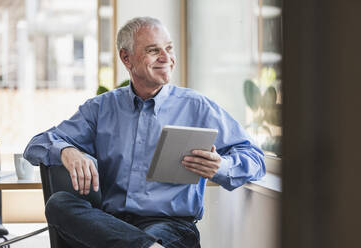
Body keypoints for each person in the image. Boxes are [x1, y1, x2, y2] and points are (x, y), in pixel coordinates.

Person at [24, 16, 265, 248]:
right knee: (58, 203)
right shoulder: (100, 109)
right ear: (126, 59)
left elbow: (255, 158)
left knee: (142, 236)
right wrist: (66, 150)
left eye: (169, 48)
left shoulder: (197, 107)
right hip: (112, 225)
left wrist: (220, 166)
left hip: (172, 227)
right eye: (153, 50)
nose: (166, 57)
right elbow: (35, 145)